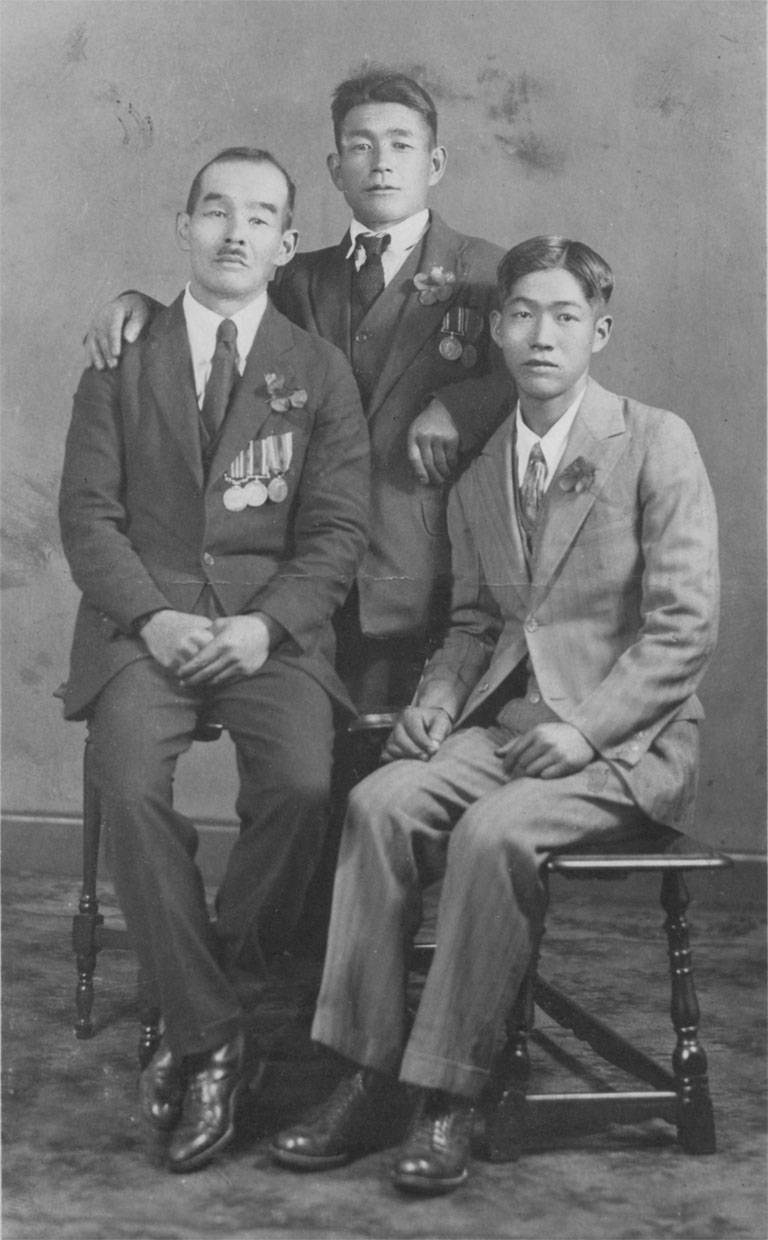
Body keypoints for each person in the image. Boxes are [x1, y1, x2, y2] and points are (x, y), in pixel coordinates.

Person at [267, 237, 720, 1195]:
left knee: (491, 832)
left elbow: (684, 629)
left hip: (623, 745)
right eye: (521, 316)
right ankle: (366, 1074)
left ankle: (448, 1095)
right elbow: (477, 621)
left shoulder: (652, 438)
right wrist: (434, 702)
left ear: (599, 330)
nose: (541, 336)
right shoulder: (480, 472)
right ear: (496, 332)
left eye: (564, 317)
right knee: (382, 801)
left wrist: (588, 729)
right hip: (509, 728)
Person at [58, 148, 369, 1174]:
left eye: (262, 217)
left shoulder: (316, 369)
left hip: (262, 629)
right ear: (183, 225)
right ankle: (219, 1037)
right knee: (131, 784)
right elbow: (88, 516)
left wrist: (265, 628)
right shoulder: (121, 356)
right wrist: (148, 619)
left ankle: (198, 1000)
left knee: (303, 783)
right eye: (216, 212)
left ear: (287, 245)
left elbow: (334, 532)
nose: (236, 232)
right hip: (143, 622)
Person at [83, 70, 509, 712]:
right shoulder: (297, 276)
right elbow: (221, 313)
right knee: (319, 765)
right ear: (336, 169)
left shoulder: (488, 270)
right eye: (361, 147)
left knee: (407, 757)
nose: (382, 164)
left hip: (426, 564)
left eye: (401, 145)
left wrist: (461, 404)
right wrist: (138, 305)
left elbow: (542, 368)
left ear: (436, 163)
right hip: (306, 568)